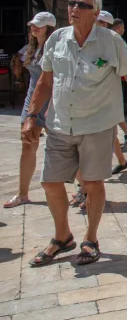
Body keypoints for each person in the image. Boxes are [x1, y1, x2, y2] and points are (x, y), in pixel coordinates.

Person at [22, 0, 127, 267]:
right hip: (60, 123)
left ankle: (91, 238)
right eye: (71, 3)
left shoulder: (111, 41)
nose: (74, 8)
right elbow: (45, 81)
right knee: (50, 182)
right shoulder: (57, 39)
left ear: (95, 13)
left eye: (81, 4)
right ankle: (62, 236)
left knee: (93, 183)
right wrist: (33, 116)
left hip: (96, 123)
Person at [5, 12, 56, 208]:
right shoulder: (31, 47)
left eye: (39, 25)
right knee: (27, 144)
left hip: (50, 101)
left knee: (61, 147)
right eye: (33, 25)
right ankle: (22, 193)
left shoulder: (55, 47)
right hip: (32, 100)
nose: (34, 28)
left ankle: (84, 189)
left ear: (49, 28)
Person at [96, 13, 127, 175]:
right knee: (108, 132)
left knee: (107, 131)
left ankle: (101, 168)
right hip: (94, 93)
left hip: (108, 91)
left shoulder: (114, 41)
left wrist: (94, 63)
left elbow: (112, 63)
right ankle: (121, 161)